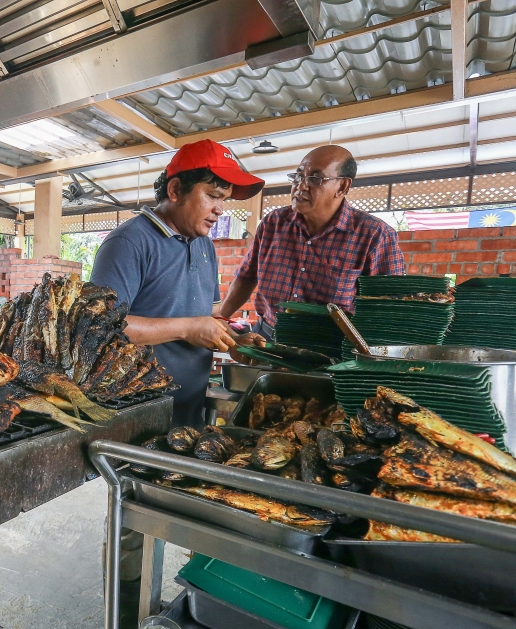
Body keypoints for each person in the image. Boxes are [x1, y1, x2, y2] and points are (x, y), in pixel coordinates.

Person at [90, 139, 267, 429]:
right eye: (212, 196)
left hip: (189, 406)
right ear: (175, 190)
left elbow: (207, 316)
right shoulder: (129, 242)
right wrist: (188, 328)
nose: (220, 209)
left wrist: (235, 343)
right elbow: (99, 328)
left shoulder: (204, 246)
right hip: (135, 412)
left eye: (224, 200)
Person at [219, 145, 406, 338]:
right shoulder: (273, 223)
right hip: (267, 340)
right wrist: (219, 319)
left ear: (342, 186)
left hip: (330, 353)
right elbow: (246, 278)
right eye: (298, 176)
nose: (301, 186)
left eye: (315, 179)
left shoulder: (375, 236)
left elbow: (388, 309)